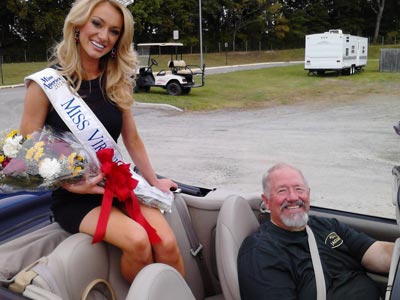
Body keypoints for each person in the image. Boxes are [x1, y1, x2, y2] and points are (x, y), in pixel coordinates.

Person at [19, 0, 184, 283]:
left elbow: (132, 139)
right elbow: (27, 152)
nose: (103, 36)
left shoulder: (116, 79)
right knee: (138, 241)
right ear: (78, 25)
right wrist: (72, 183)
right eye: (97, 23)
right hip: (75, 197)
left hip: (119, 184)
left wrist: (154, 181)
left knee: (167, 243)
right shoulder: (45, 84)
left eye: (114, 31)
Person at [237, 163, 394, 300]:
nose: (293, 197)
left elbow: (378, 253)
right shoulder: (261, 252)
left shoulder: (327, 226)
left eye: (299, 189)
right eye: (282, 191)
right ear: (267, 201)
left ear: (308, 194)